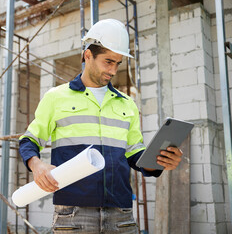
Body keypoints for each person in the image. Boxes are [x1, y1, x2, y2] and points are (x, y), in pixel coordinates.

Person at [18, 19, 183, 233]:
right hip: (74, 214)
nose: (113, 70)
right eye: (108, 62)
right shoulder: (56, 98)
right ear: (88, 55)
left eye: (117, 63)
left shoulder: (127, 104)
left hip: (121, 214)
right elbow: (29, 139)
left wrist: (159, 161)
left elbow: (134, 152)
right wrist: (36, 165)